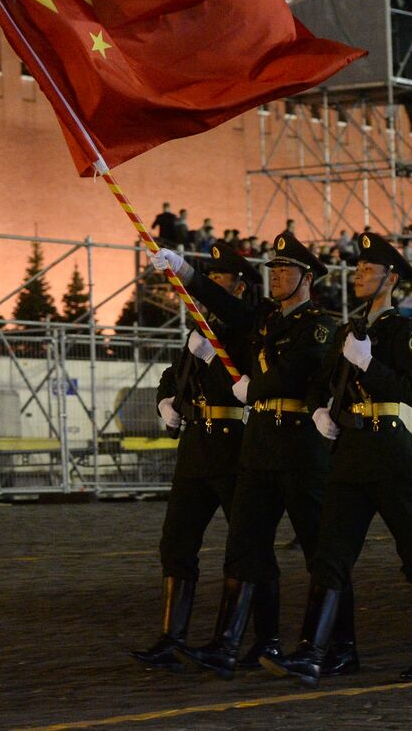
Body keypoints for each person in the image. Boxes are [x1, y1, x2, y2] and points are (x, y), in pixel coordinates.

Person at [152, 231, 339, 679]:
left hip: (287, 443)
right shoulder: (262, 322)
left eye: (284, 269)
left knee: (322, 551)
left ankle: (326, 646)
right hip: (251, 445)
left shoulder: (313, 322)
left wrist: (255, 387)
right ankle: (224, 645)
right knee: (242, 547)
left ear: (307, 276)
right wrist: (184, 272)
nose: (276, 276)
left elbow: (296, 371)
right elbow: (177, 373)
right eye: (272, 269)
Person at [263, 232, 412, 684]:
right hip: (349, 454)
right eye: (359, 268)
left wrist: (370, 365)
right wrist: (320, 410)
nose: (359, 275)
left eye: (368, 270)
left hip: (389, 451)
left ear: (390, 279)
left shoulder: (406, 331)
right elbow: (321, 382)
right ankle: (319, 652)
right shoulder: (348, 330)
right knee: (330, 554)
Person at [129, 242, 262, 671]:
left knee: (244, 546)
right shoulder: (203, 328)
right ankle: (172, 637)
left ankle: (249, 639)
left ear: (238, 287)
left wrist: (216, 363)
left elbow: (248, 381)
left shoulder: (247, 326)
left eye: (218, 280)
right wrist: (165, 401)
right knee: (176, 542)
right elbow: (173, 374)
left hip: (230, 445)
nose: (210, 287)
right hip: (196, 448)